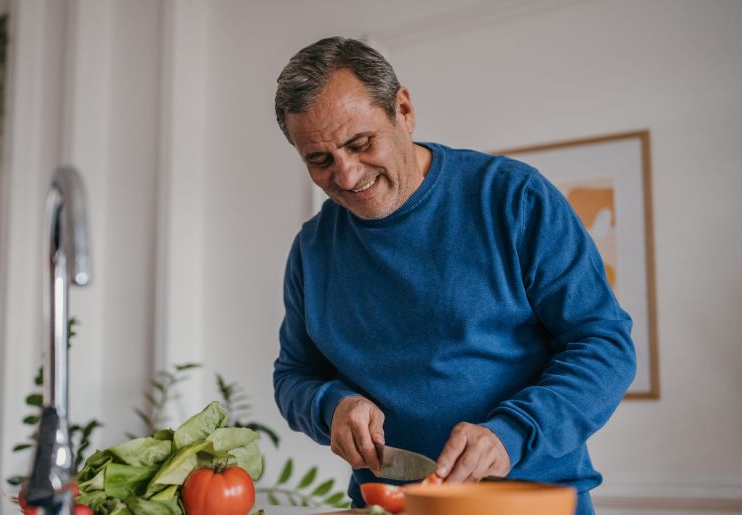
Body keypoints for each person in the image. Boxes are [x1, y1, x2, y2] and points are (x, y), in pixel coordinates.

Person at [271, 36, 636, 515]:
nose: (346, 175)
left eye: (361, 144)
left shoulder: (513, 198)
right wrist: (330, 406)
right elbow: (294, 374)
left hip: (526, 503)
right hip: (390, 504)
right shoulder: (313, 249)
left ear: (403, 109)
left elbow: (604, 345)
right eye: (320, 160)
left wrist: (512, 433)